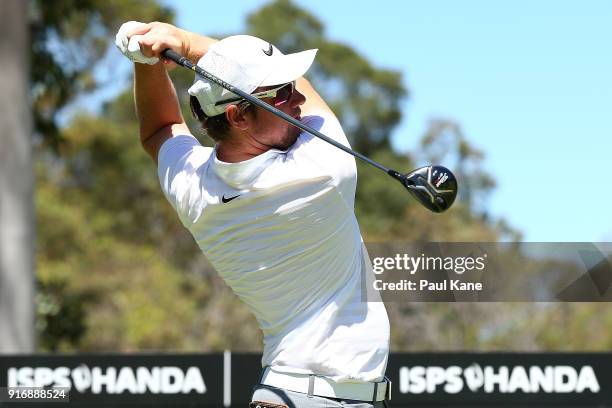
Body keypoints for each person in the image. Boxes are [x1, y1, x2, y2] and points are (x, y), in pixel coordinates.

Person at [115, 21, 391, 408]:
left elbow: (160, 129)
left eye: (290, 88)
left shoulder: (195, 191)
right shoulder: (323, 170)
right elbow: (311, 97)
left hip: (289, 395)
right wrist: (184, 41)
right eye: (281, 94)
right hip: (315, 399)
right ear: (238, 116)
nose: (296, 99)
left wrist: (144, 60)